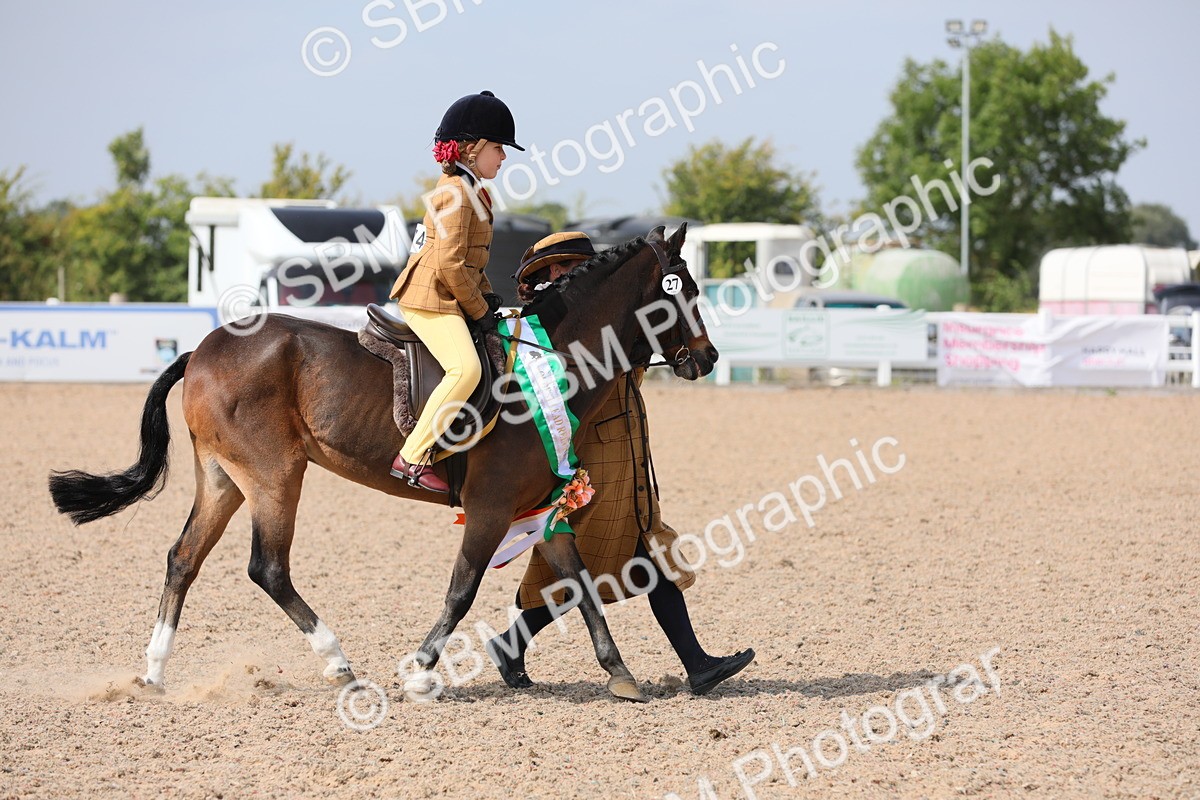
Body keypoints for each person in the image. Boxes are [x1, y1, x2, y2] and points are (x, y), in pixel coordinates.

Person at [487, 232, 755, 696]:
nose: (569, 274)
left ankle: (695, 663)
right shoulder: (543, 333)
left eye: (576, 266)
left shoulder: (602, 320)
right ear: (546, 275)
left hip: (624, 460)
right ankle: (695, 664)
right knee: (611, 564)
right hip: (593, 468)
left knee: (629, 563)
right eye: (563, 267)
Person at [388, 91, 523, 493]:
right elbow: (448, 264)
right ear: (473, 148)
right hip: (430, 298)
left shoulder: (472, 188)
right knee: (467, 369)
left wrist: (488, 298)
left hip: (449, 292)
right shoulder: (455, 192)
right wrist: (478, 309)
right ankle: (413, 456)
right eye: (498, 148)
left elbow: (469, 261)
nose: (503, 157)